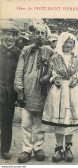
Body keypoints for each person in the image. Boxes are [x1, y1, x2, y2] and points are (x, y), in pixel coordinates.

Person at [41, 32, 78, 162]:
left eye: (70, 43)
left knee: (70, 120)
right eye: (66, 42)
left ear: (74, 45)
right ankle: (59, 148)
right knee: (59, 120)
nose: (68, 45)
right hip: (58, 91)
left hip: (73, 91)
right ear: (61, 43)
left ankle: (68, 148)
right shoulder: (55, 58)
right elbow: (50, 73)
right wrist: (53, 79)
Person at [14, 24, 54, 163]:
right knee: (25, 123)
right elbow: (19, 70)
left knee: (39, 123)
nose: (40, 36)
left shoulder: (49, 51)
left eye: (43, 33)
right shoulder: (26, 50)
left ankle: (38, 148)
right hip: (27, 90)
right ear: (33, 35)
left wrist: (48, 76)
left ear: (46, 36)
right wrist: (19, 89)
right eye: (37, 33)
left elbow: (52, 69)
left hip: (41, 91)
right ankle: (26, 149)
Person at [0, 22, 21, 160]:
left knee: (7, 122)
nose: (10, 37)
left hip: (9, 95)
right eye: (8, 34)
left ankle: (5, 149)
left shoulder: (19, 53)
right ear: (2, 35)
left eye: (13, 35)